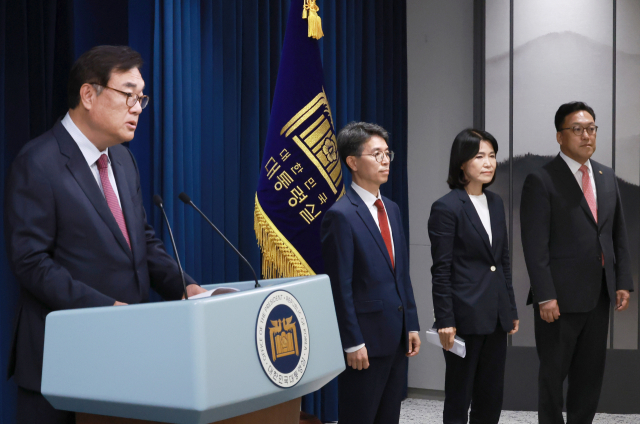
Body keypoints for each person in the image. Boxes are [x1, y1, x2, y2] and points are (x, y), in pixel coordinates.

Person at [4, 45, 207, 424]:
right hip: (62, 362)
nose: (137, 107)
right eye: (128, 94)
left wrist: (184, 287)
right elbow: (30, 263)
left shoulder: (122, 159)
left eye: (141, 97)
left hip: (124, 357)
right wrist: (105, 311)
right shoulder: (38, 162)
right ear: (88, 94)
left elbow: (140, 240)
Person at [520, 101, 633, 423]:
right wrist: (545, 294)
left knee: (589, 375)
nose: (587, 136)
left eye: (591, 129)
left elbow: (617, 234)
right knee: (553, 378)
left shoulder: (606, 176)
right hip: (558, 299)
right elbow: (534, 246)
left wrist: (622, 280)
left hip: (598, 294)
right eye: (578, 129)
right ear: (560, 136)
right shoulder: (541, 180)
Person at [320, 122, 421, 424]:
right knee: (359, 417)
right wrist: (352, 341)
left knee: (388, 417)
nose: (385, 160)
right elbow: (341, 287)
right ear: (352, 162)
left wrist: (411, 324)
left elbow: (401, 274)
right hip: (364, 341)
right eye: (376, 154)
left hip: (395, 334)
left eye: (387, 153)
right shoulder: (341, 215)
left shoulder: (391, 208)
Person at [428, 129, 519, 424]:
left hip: (495, 316)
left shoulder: (495, 202)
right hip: (463, 317)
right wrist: (445, 319)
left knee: (491, 397)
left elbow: (502, 260)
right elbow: (441, 269)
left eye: (492, 155)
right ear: (462, 163)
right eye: (479, 156)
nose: (488, 162)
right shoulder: (446, 206)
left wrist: (511, 308)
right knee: (459, 396)